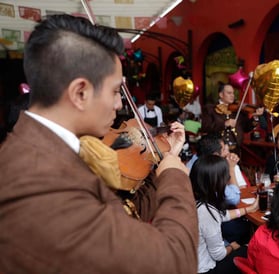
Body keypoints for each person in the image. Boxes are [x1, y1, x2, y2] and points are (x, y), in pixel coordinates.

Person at [0, 15, 198, 274]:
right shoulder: (42, 182)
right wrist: (175, 175)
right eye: (115, 91)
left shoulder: (48, 153)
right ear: (80, 93)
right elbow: (175, 261)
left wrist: (165, 159)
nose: (119, 104)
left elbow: (120, 216)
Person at [191, 155, 257, 274]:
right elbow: (218, 255)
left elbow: (221, 215)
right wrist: (232, 246)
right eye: (226, 177)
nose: (228, 179)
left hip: (187, 264)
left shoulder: (193, 200)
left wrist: (249, 209)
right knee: (250, 249)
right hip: (203, 270)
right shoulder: (207, 212)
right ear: (216, 182)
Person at [201, 82, 264, 154]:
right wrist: (224, 124)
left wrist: (255, 117)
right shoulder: (210, 109)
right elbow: (205, 127)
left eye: (233, 93)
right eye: (229, 93)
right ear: (221, 94)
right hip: (217, 151)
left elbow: (247, 128)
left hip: (235, 151)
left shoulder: (239, 110)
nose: (232, 95)